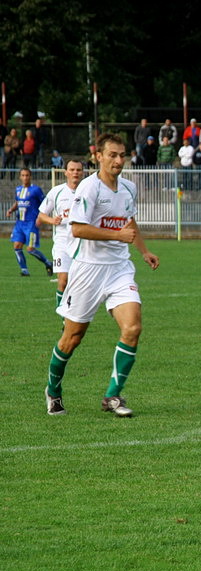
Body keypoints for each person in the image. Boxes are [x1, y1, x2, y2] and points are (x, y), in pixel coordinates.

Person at [44, 133, 160, 417]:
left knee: (132, 328)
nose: (119, 161)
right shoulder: (89, 188)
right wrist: (118, 235)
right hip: (87, 270)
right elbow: (78, 229)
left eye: (122, 155)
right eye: (113, 155)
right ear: (99, 156)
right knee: (72, 338)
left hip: (119, 268)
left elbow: (130, 222)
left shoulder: (129, 189)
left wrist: (143, 251)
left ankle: (112, 396)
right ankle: (53, 389)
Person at [37, 159, 83, 307]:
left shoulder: (88, 191)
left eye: (78, 170)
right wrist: (52, 220)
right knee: (63, 281)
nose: (75, 172)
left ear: (83, 172)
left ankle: (72, 316)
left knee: (78, 285)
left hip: (83, 244)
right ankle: (63, 319)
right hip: (62, 243)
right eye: (72, 169)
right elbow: (41, 215)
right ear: (66, 173)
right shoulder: (57, 192)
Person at [6, 167, 53, 276]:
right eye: (23, 175)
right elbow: (18, 203)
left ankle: (48, 263)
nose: (25, 177)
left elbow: (45, 203)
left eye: (27, 175)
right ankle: (24, 270)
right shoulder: (18, 189)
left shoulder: (36, 190)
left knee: (30, 249)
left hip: (31, 223)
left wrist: (41, 217)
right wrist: (11, 210)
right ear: (20, 177)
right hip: (19, 224)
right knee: (17, 246)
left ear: (30, 177)